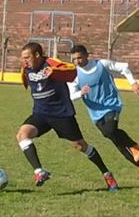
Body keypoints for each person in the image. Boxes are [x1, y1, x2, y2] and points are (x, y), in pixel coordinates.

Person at [16, 42, 118, 191]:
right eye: (22, 57)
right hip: (40, 114)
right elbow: (27, 80)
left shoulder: (50, 63)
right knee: (22, 135)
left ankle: (107, 174)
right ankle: (39, 172)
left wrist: (55, 73)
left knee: (80, 146)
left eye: (27, 57)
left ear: (37, 55)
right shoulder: (26, 69)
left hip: (61, 114)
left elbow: (72, 71)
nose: (24, 60)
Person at [68, 44, 139, 178]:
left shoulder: (102, 64)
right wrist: (80, 93)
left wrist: (133, 83)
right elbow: (71, 95)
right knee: (113, 138)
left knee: (110, 130)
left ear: (87, 55)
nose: (77, 61)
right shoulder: (75, 75)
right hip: (95, 111)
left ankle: (133, 145)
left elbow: (124, 68)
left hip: (111, 104)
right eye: (74, 59)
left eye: (80, 58)